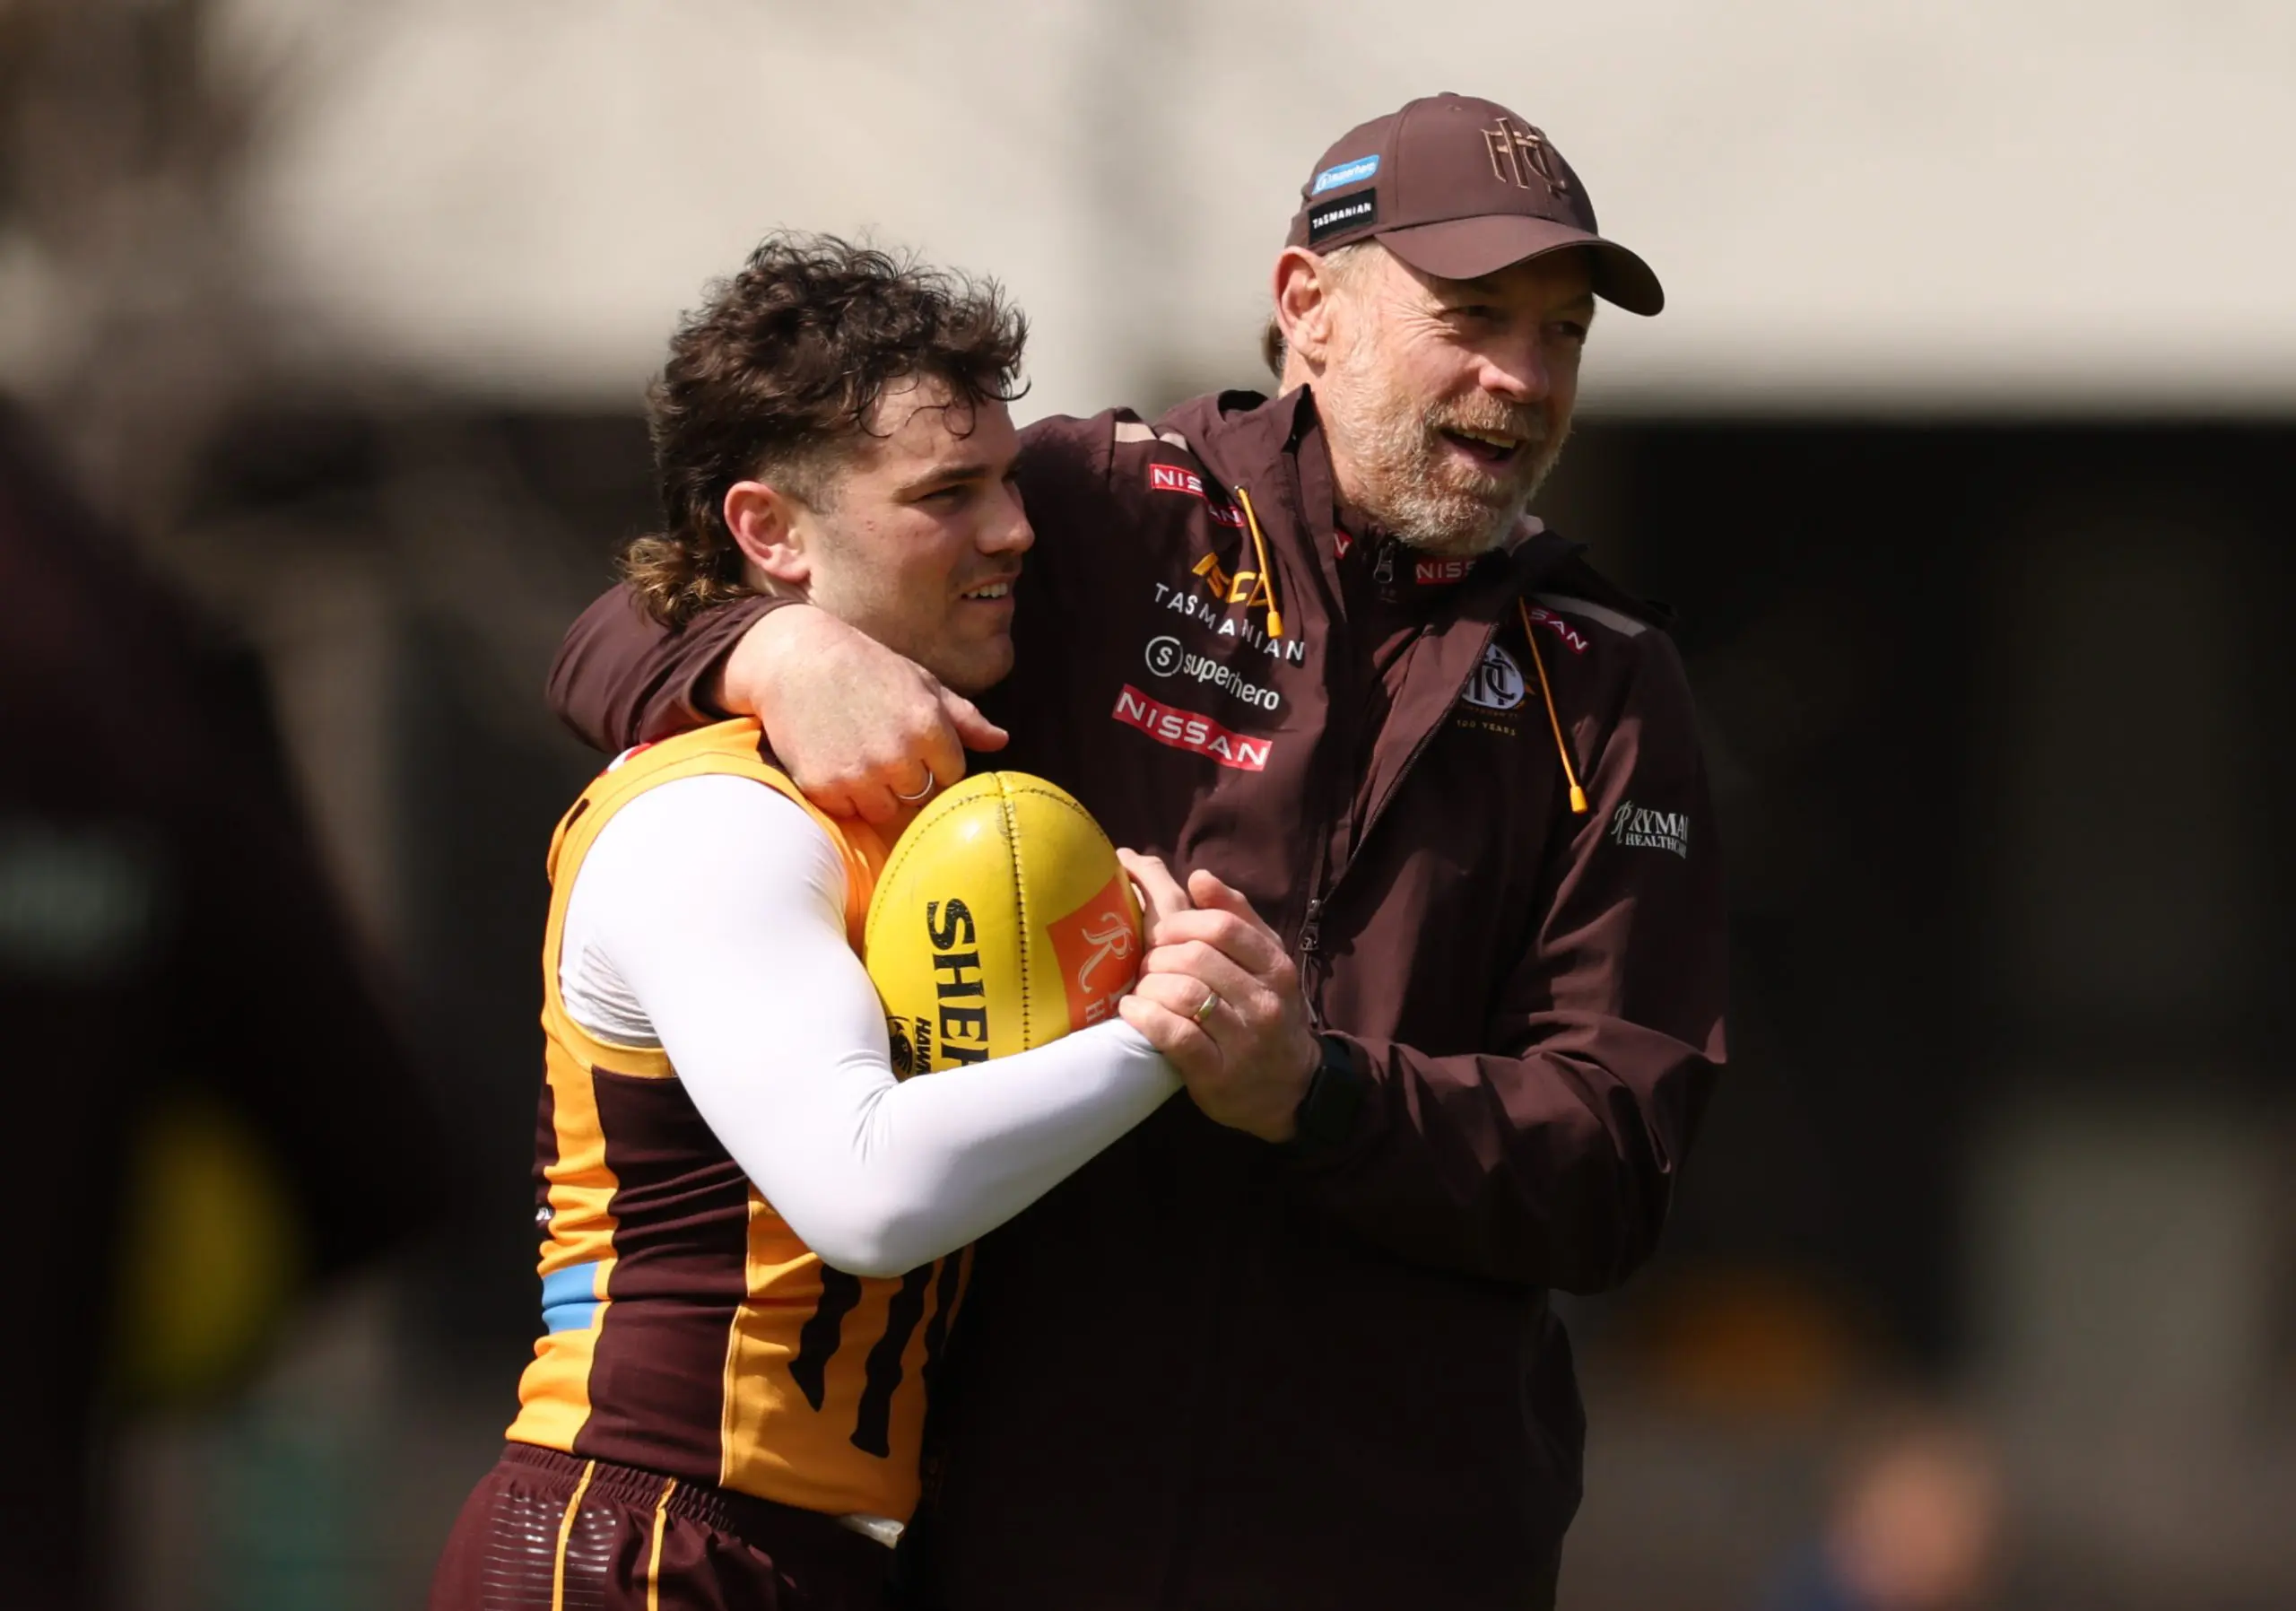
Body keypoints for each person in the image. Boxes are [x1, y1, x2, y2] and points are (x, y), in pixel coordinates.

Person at [550, 92, 1727, 1610]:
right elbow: (615, 634)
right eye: (1474, 314)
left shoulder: (1611, 681)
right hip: (1008, 1532)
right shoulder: (1098, 513)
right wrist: (772, 646)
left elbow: (1619, 1163)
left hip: (1400, 1555)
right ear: (1308, 303)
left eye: (1562, 332)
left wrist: (1322, 1095)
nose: (1522, 377)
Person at [430, 239, 1231, 1611]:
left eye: (1008, 482)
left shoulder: (915, 796)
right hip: (644, 1538)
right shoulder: (716, 819)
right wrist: (1176, 1027)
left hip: (797, 1552)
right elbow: (869, 1192)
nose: (1015, 530)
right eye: (946, 495)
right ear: (770, 533)